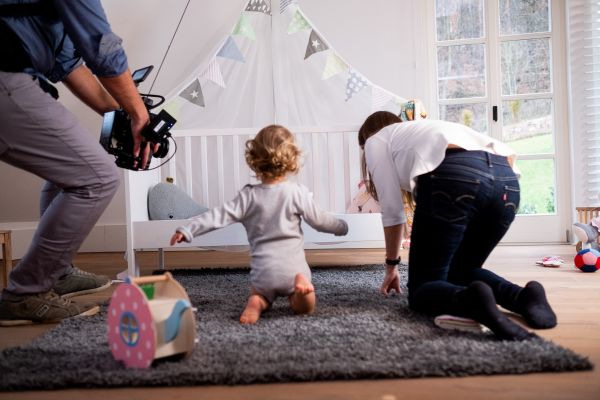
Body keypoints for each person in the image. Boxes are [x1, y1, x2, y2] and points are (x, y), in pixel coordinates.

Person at [0, 0, 152, 325]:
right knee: (98, 177)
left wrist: (125, 113)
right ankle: (26, 293)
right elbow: (102, 47)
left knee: (75, 166)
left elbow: (69, 63)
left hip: (14, 72)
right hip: (5, 73)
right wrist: (139, 112)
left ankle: (57, 272)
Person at [358, 111, 557, 341]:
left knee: (423, 289)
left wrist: (391, 266)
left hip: (456, 176)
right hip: (507, 182)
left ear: (366, 139)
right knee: (460, 270)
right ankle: (523, 297)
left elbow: (392, 212)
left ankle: (471, 300)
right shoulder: (420, 131)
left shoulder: (375, 141)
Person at [170, 125, 348, 324]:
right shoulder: (297, 192)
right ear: (292, 159)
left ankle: (256, 302)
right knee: (305, 308)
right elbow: (320, 220)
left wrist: (187, 230)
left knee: (260, 296)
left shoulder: (249, 196)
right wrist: (341, 226)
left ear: (254, 159)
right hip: (294, 269)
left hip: (264, 273)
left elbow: (217, 216)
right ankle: (302, 291)